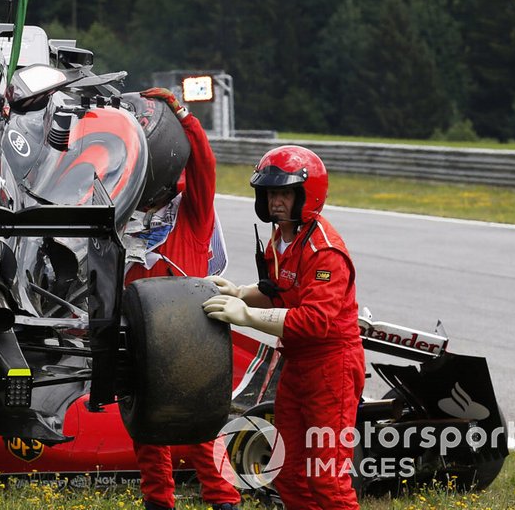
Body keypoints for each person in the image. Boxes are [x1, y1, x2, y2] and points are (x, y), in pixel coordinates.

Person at [202, 145, 363, 510]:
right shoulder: (282, 237)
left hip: (331, 366)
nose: (276, 201)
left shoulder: (325, 251)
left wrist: (246, 315)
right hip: (297, 364)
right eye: (271, 193)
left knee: (326, 476)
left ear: (306, 195)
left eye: (285, 193)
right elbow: (281, 291)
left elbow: (314, 321)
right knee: (286, 470)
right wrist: (243, 293)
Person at [123, 88, 242, 510]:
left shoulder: (191, 209)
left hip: (194, 336)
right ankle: (158, 502)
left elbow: (205, 164)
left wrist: (183, 116)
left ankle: (226, 499)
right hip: (139, 333)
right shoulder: (117, 212)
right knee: (145, 427)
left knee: (205, 428)